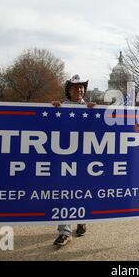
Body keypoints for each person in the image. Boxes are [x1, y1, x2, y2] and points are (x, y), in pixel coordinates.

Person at [51, 74, 95, 246]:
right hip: (65, 161)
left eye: (82, 87)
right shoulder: (60, 107)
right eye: (76, 87)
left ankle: (81, 220)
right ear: (68, 90)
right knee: (65, 193)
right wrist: (52, 110)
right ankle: (64, 231)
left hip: (85, 162)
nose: (80, 89)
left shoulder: (90, 109)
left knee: (82, 191)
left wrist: (95, 113)